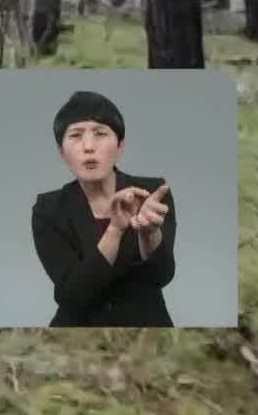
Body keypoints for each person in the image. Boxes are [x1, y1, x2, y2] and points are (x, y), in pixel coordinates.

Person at [30, 90, 176, 326]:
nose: (88, 146)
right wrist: (115, 230)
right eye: (75, 135)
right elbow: (73, 294)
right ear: (61, 153)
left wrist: (149, 233)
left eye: (100, 134)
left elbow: (161, 276)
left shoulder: (150, 193)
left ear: (120, 147)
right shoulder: (48, 209)